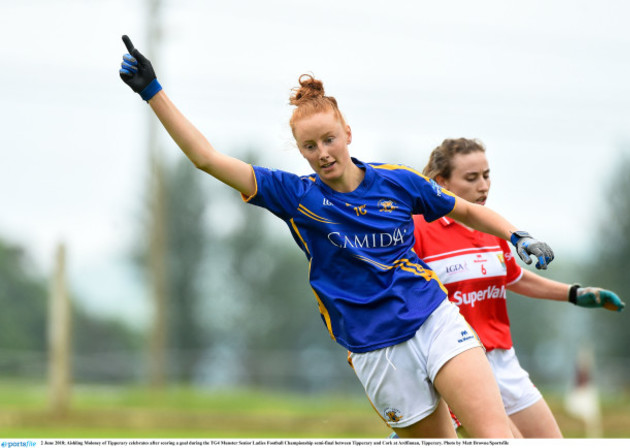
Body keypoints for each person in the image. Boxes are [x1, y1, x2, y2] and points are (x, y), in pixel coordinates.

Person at [118, 35, 556, 438]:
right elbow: (206, 158)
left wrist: (518, 235)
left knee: (495, 437)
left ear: (347, 134)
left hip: (432, 318)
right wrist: (152, 92)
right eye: (310, 147)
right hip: (374, 349)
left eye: (329, 139)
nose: (323, 153)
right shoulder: (295, 195)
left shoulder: (397, 182)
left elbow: (465, 209)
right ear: (300, 150)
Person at [410, 138, 625, 438]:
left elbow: (515, 278)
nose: (483, 186)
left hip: (505, 363)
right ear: (442, 182)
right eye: (471, 178)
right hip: (461, 367)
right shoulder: (418, 229)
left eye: (486, 175)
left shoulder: (493, 227)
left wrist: (575, 294)